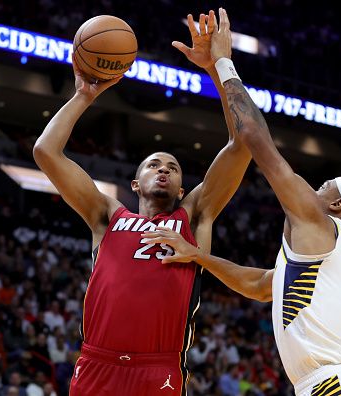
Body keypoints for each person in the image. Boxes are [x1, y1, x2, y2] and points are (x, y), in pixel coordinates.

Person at [142, 8, 341, 396]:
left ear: (337, 206)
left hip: (333, 385)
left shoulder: (321, 225)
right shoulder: (333, 255)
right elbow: (261, 284)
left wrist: (222, 63)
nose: (313, 191)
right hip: (339, 383)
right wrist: (197, 255)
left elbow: (253, 134)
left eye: (324, 188)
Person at [33, 10, 250, 396]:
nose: (164, 170)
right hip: (96, 364)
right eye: (154, 165)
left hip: (159, 370)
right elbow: (46, 152)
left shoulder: (194, 216)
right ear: (135, 183)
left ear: (183, 189)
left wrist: (220, 66)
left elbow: (241, 144)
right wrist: (83, 96)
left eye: (174, 168)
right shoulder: (106, 215)